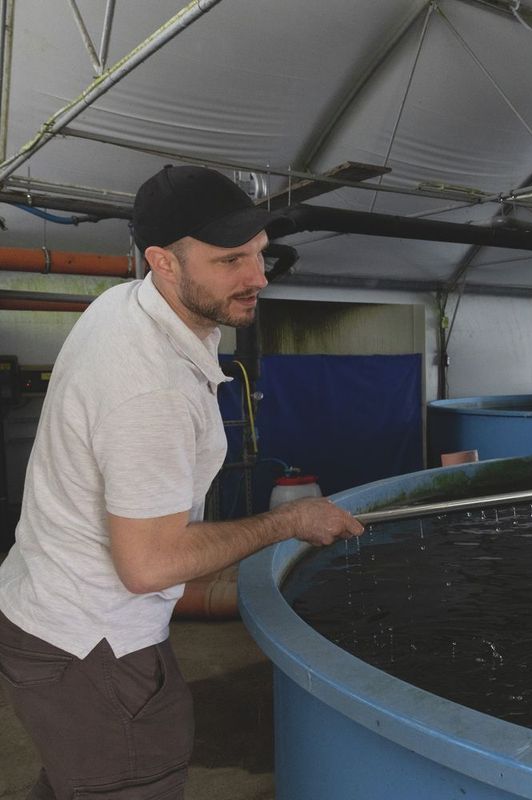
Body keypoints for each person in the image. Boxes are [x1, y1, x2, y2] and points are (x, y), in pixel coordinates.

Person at [0, 165, 363, 799]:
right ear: (164, 262)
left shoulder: (123, 304)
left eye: (259, 254)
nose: (258, 278)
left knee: (76, 782)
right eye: (230, 261)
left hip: (44, 613)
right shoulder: (151, 388)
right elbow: (148, 566)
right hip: (95, 643)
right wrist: (292, 521)